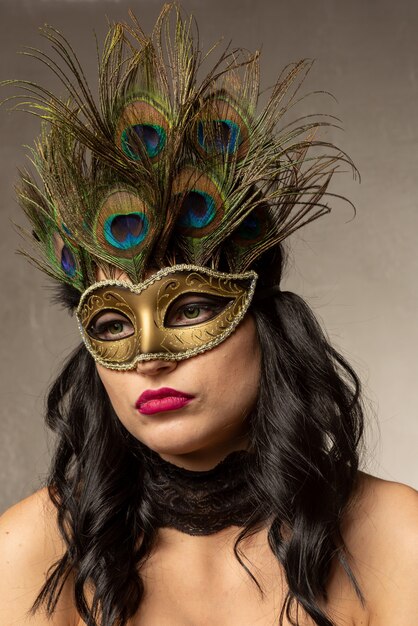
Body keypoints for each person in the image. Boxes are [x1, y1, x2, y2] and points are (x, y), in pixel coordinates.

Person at [0, 5, 417, 625]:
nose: (149, 355)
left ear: (266, 322)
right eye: (112, 323)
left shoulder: (394, 537)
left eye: (190, 307)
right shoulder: (31, 550)